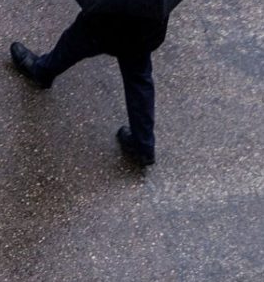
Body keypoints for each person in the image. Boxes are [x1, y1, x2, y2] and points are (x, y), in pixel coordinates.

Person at [9, 11, 169, 167]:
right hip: (148, 24)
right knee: (138, 74)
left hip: (109, 16)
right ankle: (143, 146)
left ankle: (43, 71)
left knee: (76, 39)